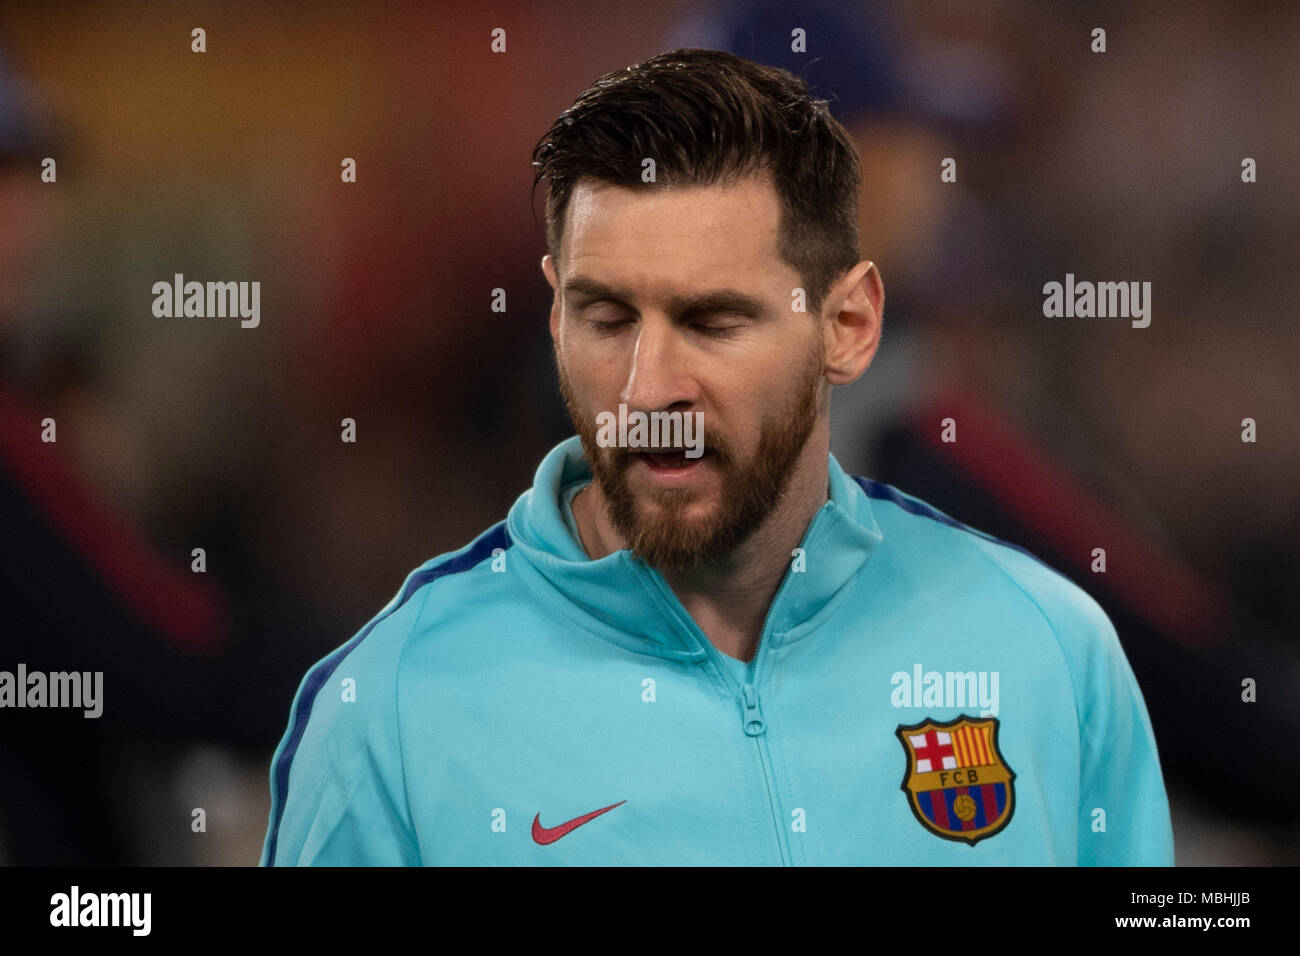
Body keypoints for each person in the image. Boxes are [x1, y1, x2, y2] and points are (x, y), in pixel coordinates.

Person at [260, 49, 1173, 866]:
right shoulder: (391, 711)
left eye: (713, 320)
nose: (648, 389)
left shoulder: (1047, 649)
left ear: (848, 326)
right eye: (606, 318)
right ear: (552, 316)